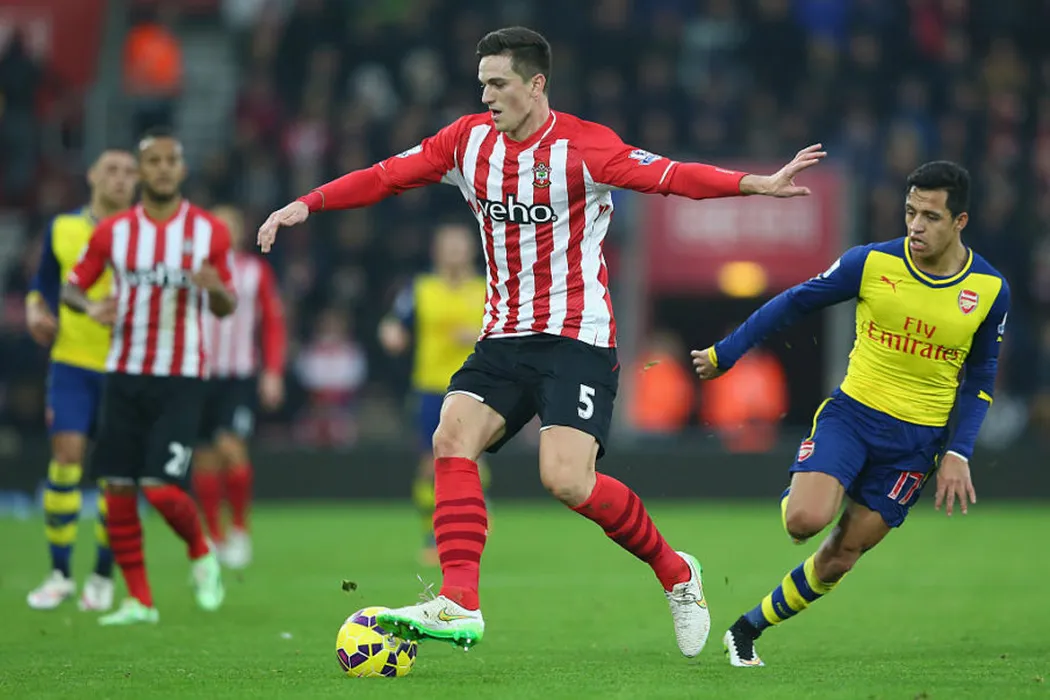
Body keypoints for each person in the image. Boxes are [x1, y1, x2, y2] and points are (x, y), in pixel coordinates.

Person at [257, 26, 823, 656]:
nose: (486, 96)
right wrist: (309, 203)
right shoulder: (466, 141)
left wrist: (756, 184)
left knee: (567, 480)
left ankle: (676, 572)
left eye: (498, 84)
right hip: (504, 334)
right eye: (482, 84)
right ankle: (460, 602)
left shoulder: (585, 148)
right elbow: (387, 175)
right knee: (451, 437)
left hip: (577, 337)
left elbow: (670, 176)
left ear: (536, 84)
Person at [691, 161, 1009, 667]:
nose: (916, 226)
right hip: (853, 418)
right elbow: (795, 302)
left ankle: (747, 629)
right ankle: (805, 484)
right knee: (804, 522)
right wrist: (726, 353)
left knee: (841, 557)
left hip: (916, 445)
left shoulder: (989, 289)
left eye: (930, 217)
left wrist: (959, 452)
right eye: (910, 212)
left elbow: (981, 378)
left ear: (960, 222)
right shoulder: (872, 263)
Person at [61, 127, 236, 625]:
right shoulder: (113, 232)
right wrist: (90, 306)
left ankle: (201, 552)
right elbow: (73, 286)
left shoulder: (208, 231)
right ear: (141, 172)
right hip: (124, 373)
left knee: (160, 487)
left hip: (180, 378)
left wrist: (214, 288)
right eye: (152, 161)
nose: (161, 169)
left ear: (181, 169)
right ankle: (139, 601)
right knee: (117, 487)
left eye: (169, 161)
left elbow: (226, 305)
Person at [24, 148, 138, 611]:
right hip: (71, 361)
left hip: (126, 365)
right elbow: (43, 284)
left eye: (128, 172)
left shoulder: (146, 234)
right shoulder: (63, 227)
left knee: (114, 475)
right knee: (66, 459)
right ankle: (59, 574)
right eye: (111, 170)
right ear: (92, 175)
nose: (120, 179)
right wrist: (34, 311)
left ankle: (102, 577)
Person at [378, 222, 489, 566]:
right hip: (430, 387)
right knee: (432, 464)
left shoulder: (488, 289)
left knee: (472, 463)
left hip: (476, 388)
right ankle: (433, 532)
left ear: (472, 249)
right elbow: (393, 322)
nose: (454, 251)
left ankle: (468, 526)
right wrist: (390, 333)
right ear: (436, 251)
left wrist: (477, 334)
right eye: (448, 245)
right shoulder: (420, 289)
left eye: (460, 245)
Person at [192, 204, 286, 570]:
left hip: (238, 376)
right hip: (198, 374)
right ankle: (214, 536)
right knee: (205, 458)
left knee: (232, 449)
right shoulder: (192, 271)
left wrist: (272, 370)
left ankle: (240, 530)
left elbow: (272, 321)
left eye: (230, 225)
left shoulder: (254, 271)